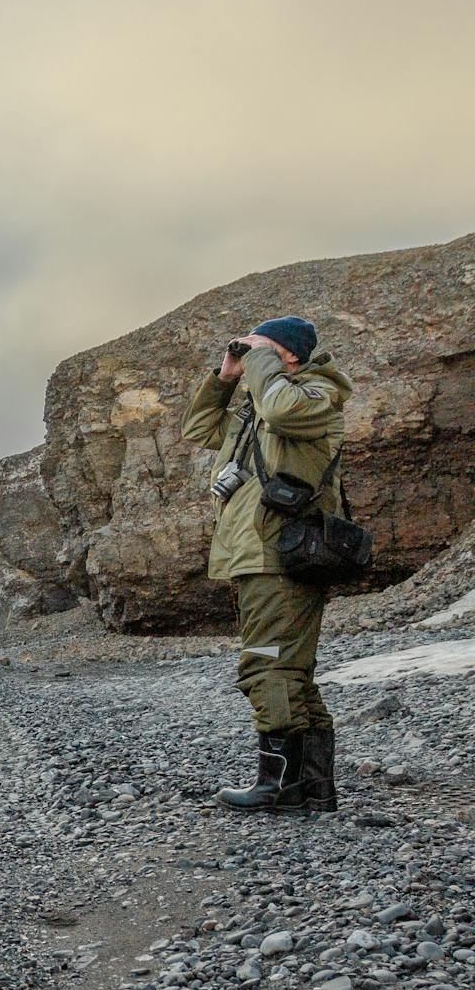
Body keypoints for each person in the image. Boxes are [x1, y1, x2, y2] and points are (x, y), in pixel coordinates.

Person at [179, 315, 353, 813]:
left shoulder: (315, 396)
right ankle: (312, 788)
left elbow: (279, 410)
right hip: (258, 554)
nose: (251, 353)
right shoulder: (259, 403)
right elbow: (198, 428)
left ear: (290, 355)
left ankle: (279, 787)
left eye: (263, 347)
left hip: (281, 554)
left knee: (267, 666)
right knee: (290, 670)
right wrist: (226, 376)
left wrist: (258, 360)